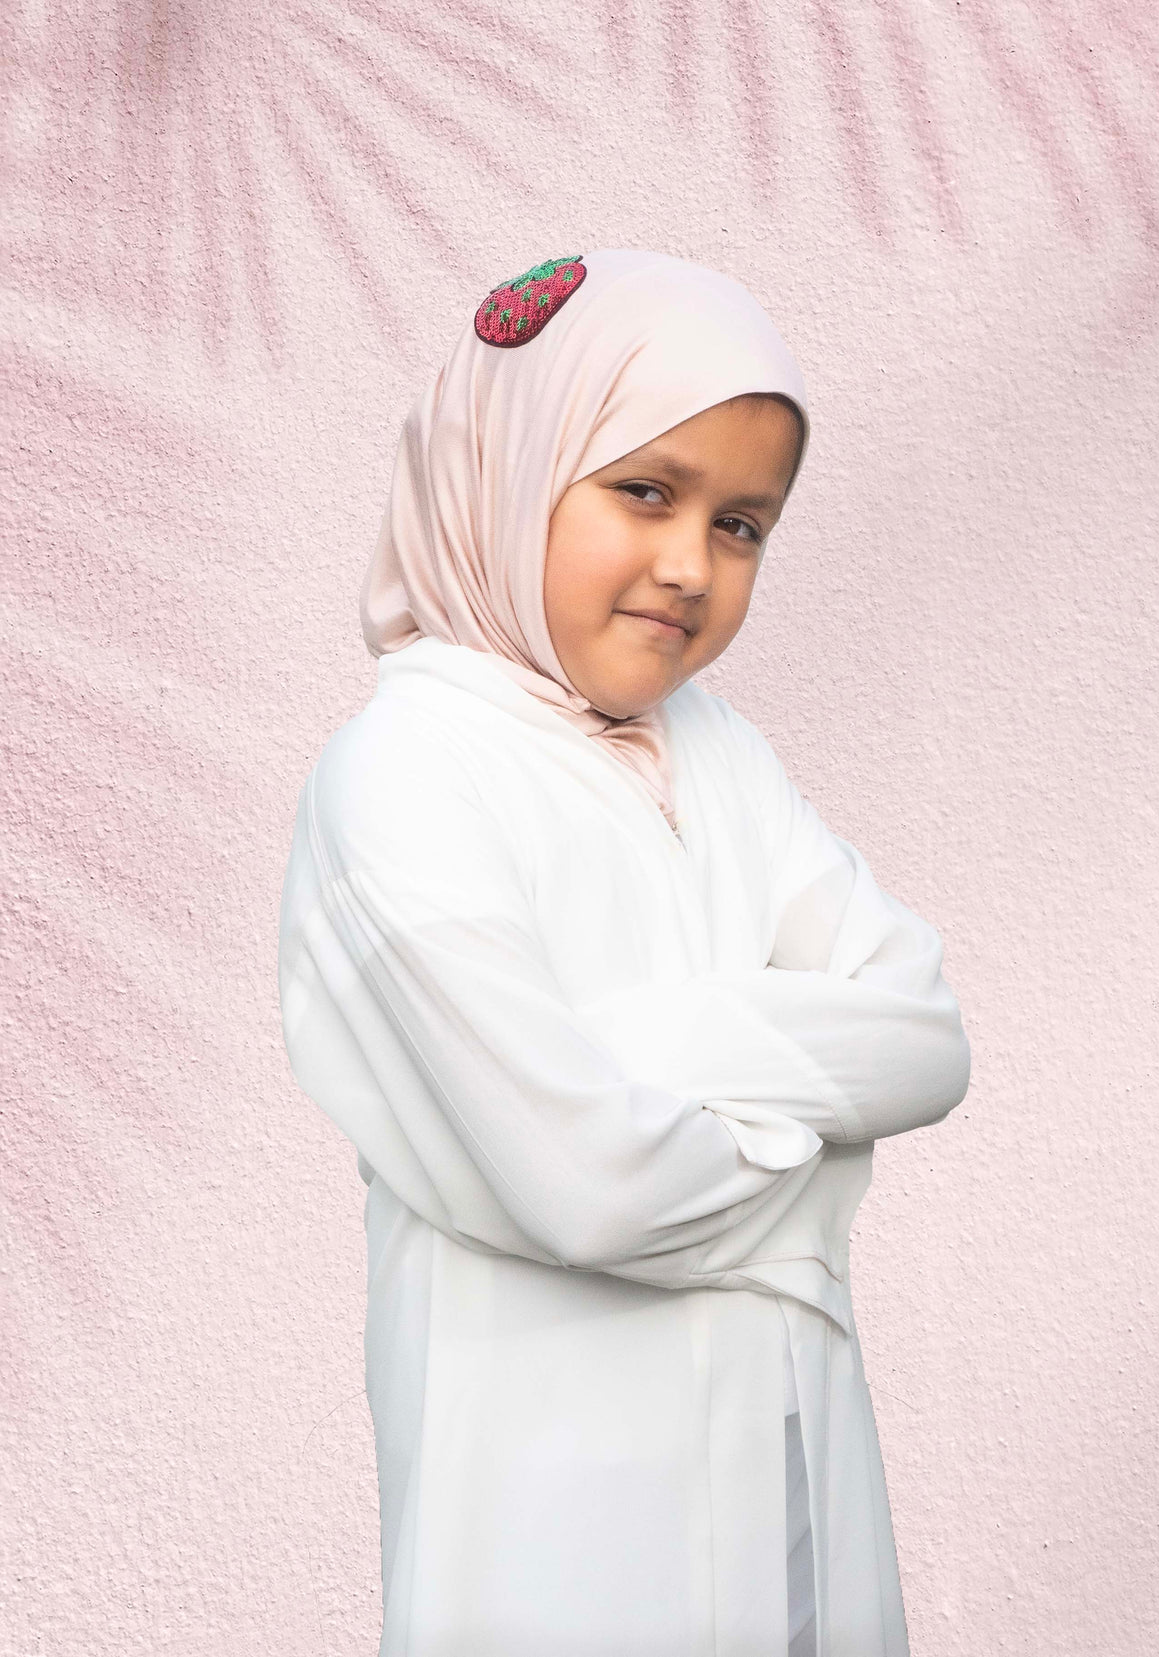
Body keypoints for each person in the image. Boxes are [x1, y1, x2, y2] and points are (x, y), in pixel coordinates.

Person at [277, 248, 972, 1657]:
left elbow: (924, 1034)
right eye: (645, 490)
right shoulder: (405, 775)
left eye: (742, 525)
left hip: (792, 1493)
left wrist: (630, 1047)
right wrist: (818, 1149)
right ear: (510, 465)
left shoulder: (717, 755)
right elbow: (593, 1189)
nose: (690, 564)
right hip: (550, 1532)